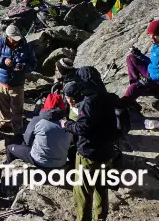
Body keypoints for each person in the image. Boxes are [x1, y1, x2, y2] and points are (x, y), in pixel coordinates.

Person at [61, 79, 121, 221]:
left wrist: (67, 124)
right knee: (102, 188)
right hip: (107, 152)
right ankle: (100, 218)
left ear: (72, 98)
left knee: (82, 193)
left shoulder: (85, 107)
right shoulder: (101, 100)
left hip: (89, 155)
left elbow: (82, 128)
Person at [0, 24, 37, 136]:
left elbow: (33, 64)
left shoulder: (26, 47)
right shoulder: (0, 44)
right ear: (8, 37)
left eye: (17, 38)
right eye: (13, 39)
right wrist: (2, 60)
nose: (16, 41)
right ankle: (5, 123)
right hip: (2, 81)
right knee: (2, 105)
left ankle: (17, 128)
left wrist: (24, 67)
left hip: (17, 83)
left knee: (17, 108)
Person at [6, 93, 71, 169]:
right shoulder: (70, 124)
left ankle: (5, 167)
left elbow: (27, 141)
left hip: (39, 161)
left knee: (10, 148)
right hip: (61, 162)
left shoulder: (37, 120)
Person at [124, 18, 159, 103]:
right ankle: (136, 84)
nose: (152, 37)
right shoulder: (156, 45)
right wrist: (139, 55)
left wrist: (149, 79)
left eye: (155, 35)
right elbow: (153, 63)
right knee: (130, 58)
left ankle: (120, 108)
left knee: (133, 88)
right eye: (150, 34)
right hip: (151, 75)